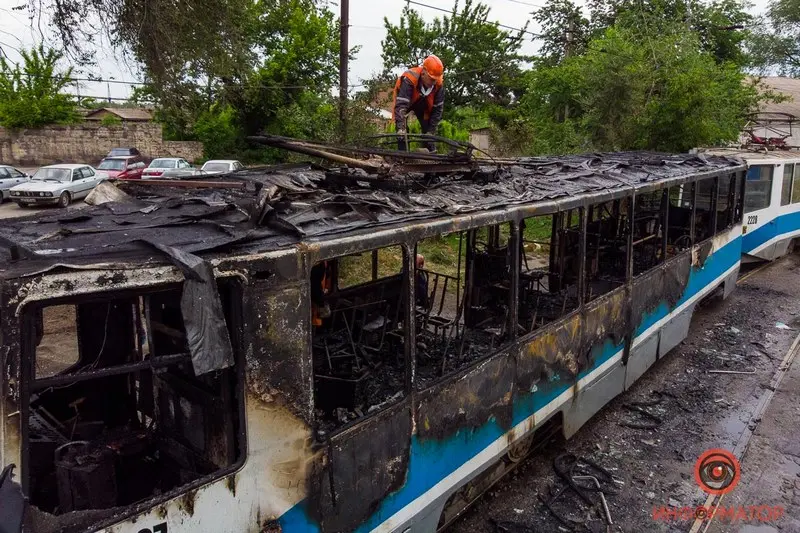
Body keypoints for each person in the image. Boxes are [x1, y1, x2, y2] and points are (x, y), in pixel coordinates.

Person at [392, 55, 445, 152]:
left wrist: (431, 131)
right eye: (431, 79)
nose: (434, 82)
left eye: (435, 79)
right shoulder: (409, 79)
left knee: (428, 131)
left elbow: (437, 110)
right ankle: (403, 155)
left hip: (424, 105)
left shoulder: (438, 85)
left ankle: (431, 153)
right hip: (407, 101)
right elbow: (401, 106)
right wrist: (400, 128)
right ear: (423, 72)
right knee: (402, 132)